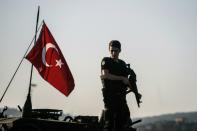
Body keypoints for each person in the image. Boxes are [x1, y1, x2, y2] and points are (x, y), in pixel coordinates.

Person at [100, 40, 132, 131]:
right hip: (110, 97)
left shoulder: (122, 64)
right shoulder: (106, 61)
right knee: (109, 124)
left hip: (121, 97)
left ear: (120, 50)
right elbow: (106, 75)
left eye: (116, 51)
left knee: (122, 122)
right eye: (111, 50)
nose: (113, 53)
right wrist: (122, 78)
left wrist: (131, 85)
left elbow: (127, 80)